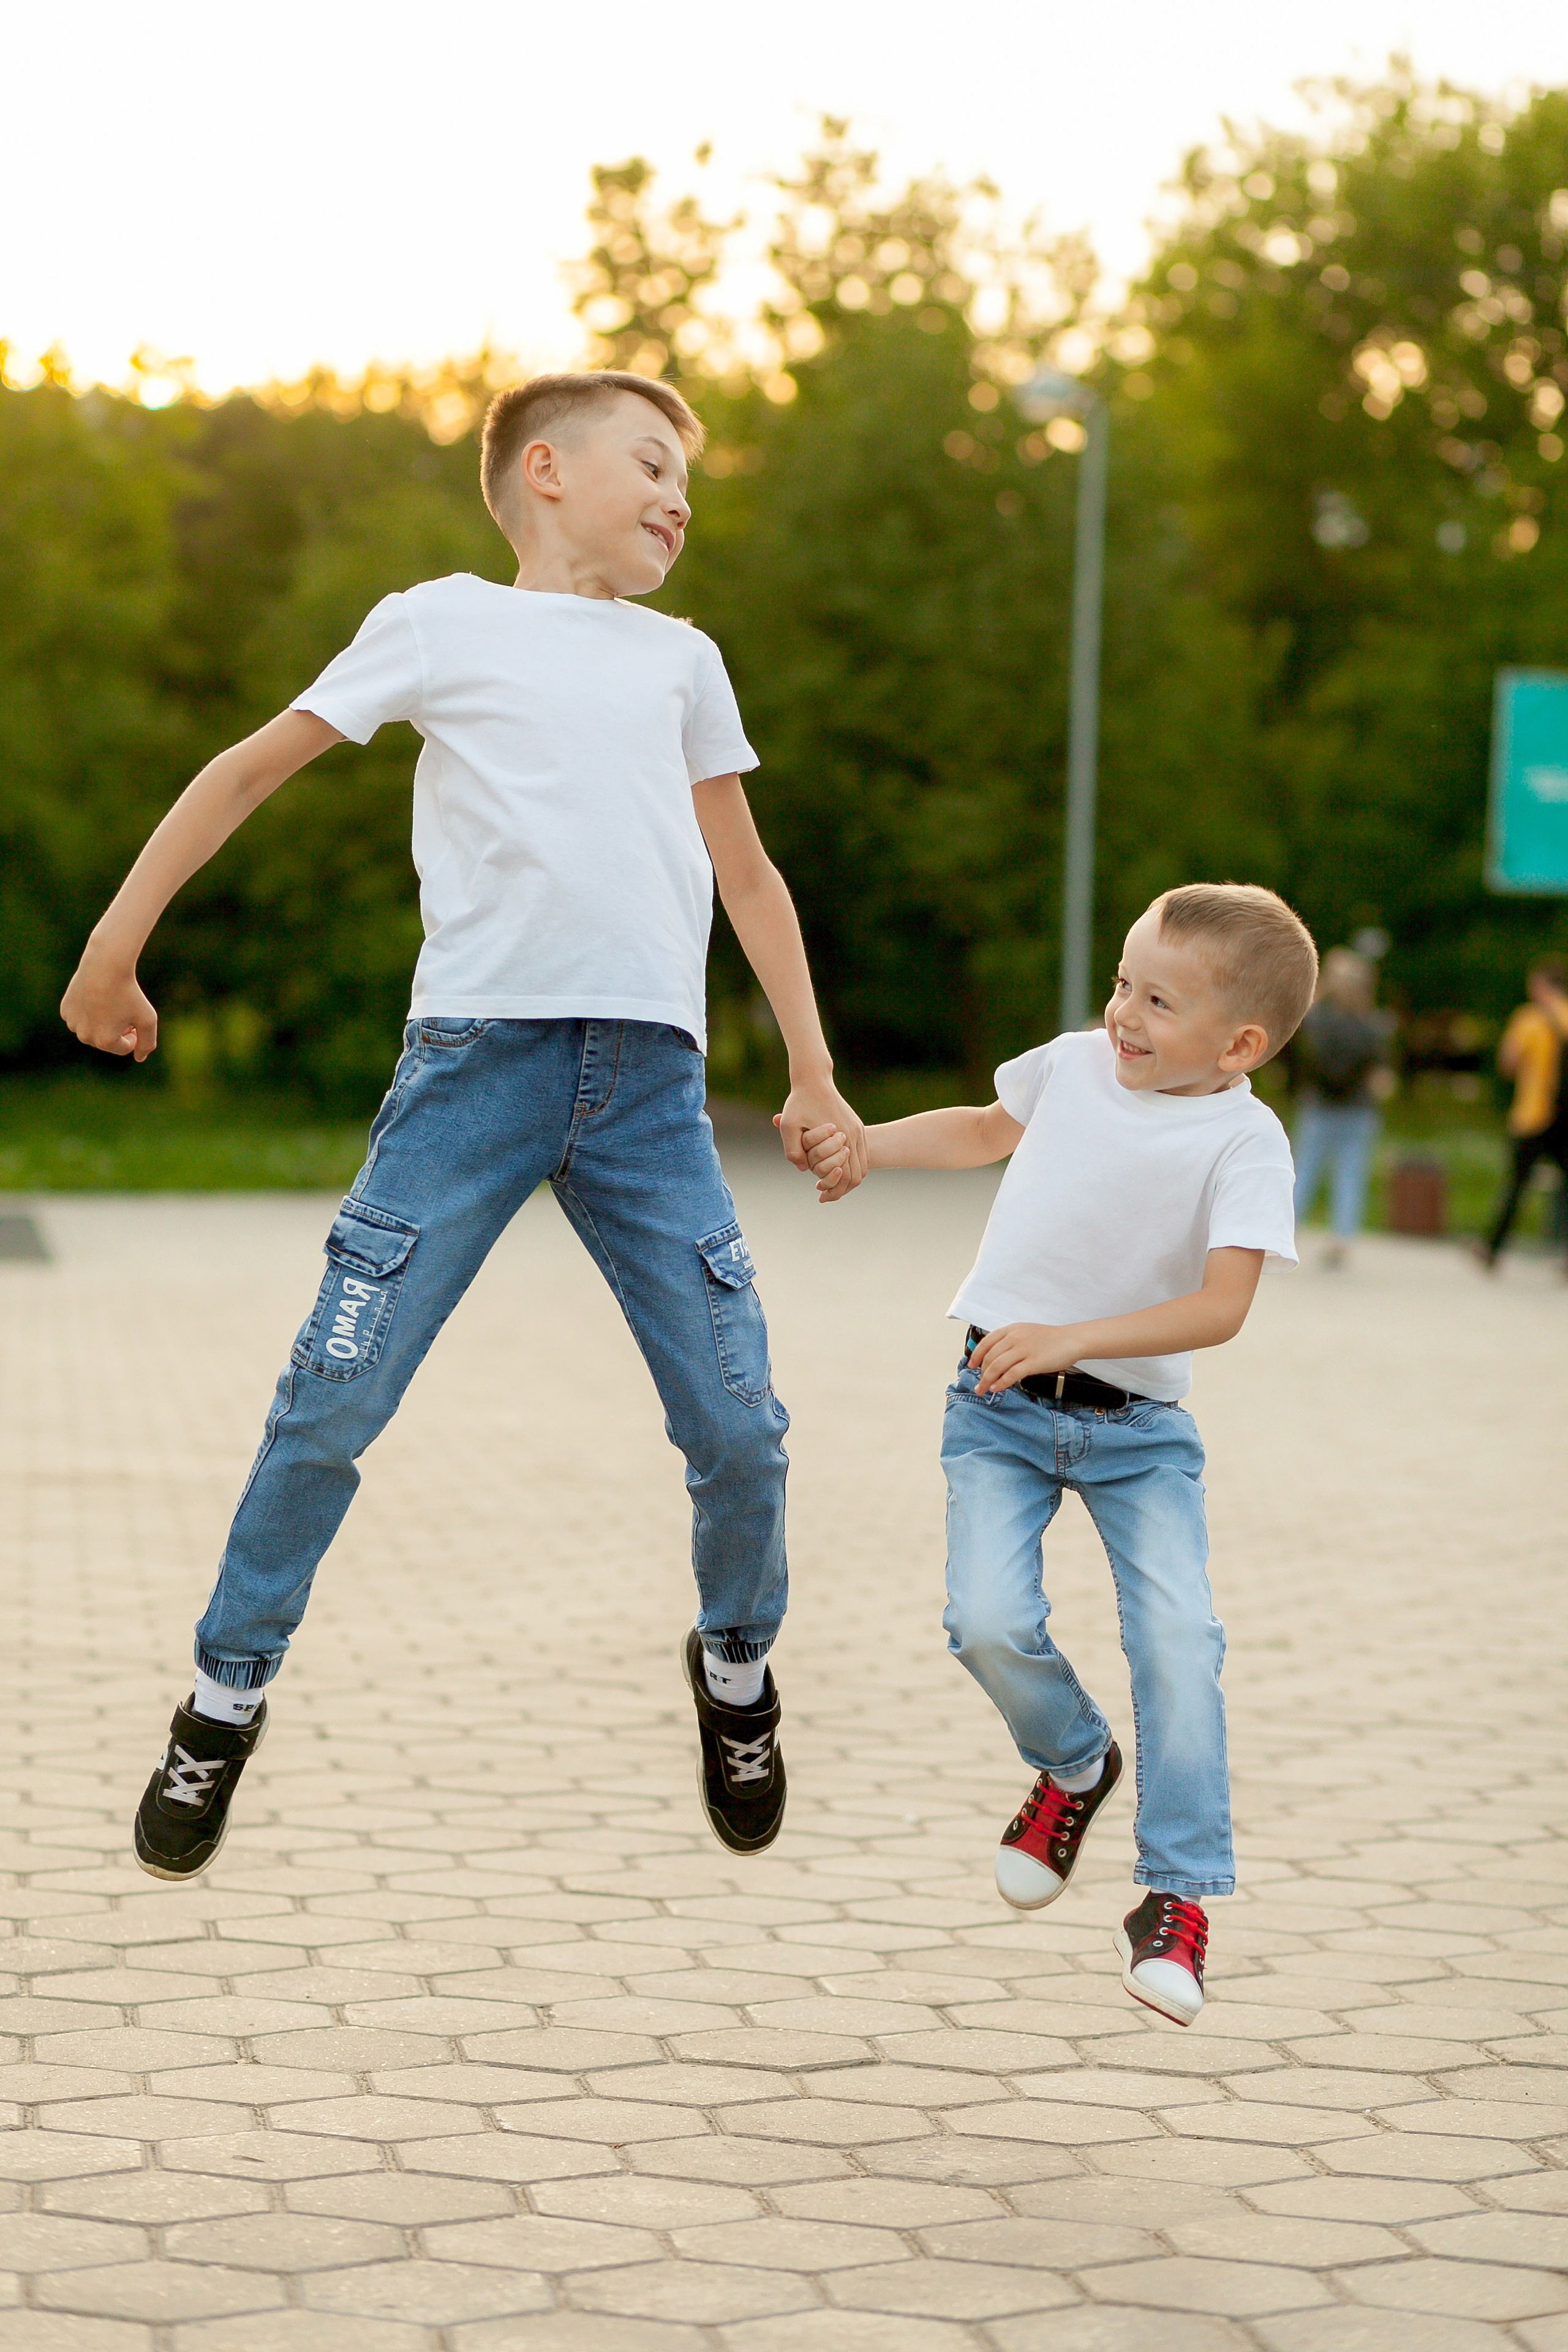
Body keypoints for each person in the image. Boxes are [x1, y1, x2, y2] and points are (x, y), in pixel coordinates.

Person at [59, 370, 867, 1880]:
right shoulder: (437, 620)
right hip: (472, 1071)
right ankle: (222, 1697)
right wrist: (116, 944)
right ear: (544, 472)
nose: (678, 496)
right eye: (652, 462)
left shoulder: (685, 662)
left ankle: (736, 1672)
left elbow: (747, 879)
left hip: (649, 1095)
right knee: (332, 1395)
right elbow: (248, 766)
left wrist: (813, 1073)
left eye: (687, 475)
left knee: (738, 1421)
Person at [804, 884, 1316, 2024]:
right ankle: (1077, 1764)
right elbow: (987, 1131)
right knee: (984, 1620)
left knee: (1181, 1642)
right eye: (1124, 983)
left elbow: (1223, 1306)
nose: (1123, 1014)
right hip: (997, 1405)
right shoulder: (1079, 1066)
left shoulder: (1245, 1140)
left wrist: (1076, 1335)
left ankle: (1175, 1898)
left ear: (1240, 1043)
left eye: (1158, 1001)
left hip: (1140, 1438)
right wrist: (867, 1148)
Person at [1289, 947, 1395, 1270]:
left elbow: (1302, 1037)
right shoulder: (1375, 1024)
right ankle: (1341, 1239)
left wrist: (1321, 992)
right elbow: (1382, 1077)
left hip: (1320, 1105)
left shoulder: (1319, 1019)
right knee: (1350, 1175)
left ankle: (1283, 1232)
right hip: (1358, 1109)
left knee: (1304, 1171)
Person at [1479, 957, 1568, 1268]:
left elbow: (1508, 1063)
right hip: (1564, 1117)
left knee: (1517, 1185)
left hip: (1533, 1114)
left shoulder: (1529, 1019)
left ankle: (1493, 1248)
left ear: (1541, 985)